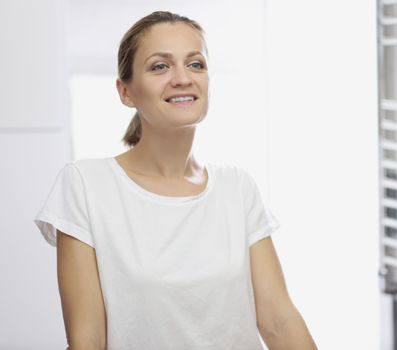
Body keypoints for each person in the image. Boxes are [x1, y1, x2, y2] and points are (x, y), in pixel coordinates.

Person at [34, 11, 317, 350]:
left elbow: (278, 319)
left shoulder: (237, 188)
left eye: (195, 64)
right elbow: (87, 341)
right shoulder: (85, 186)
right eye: (160, 66)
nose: (183, 78)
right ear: (125, 92)